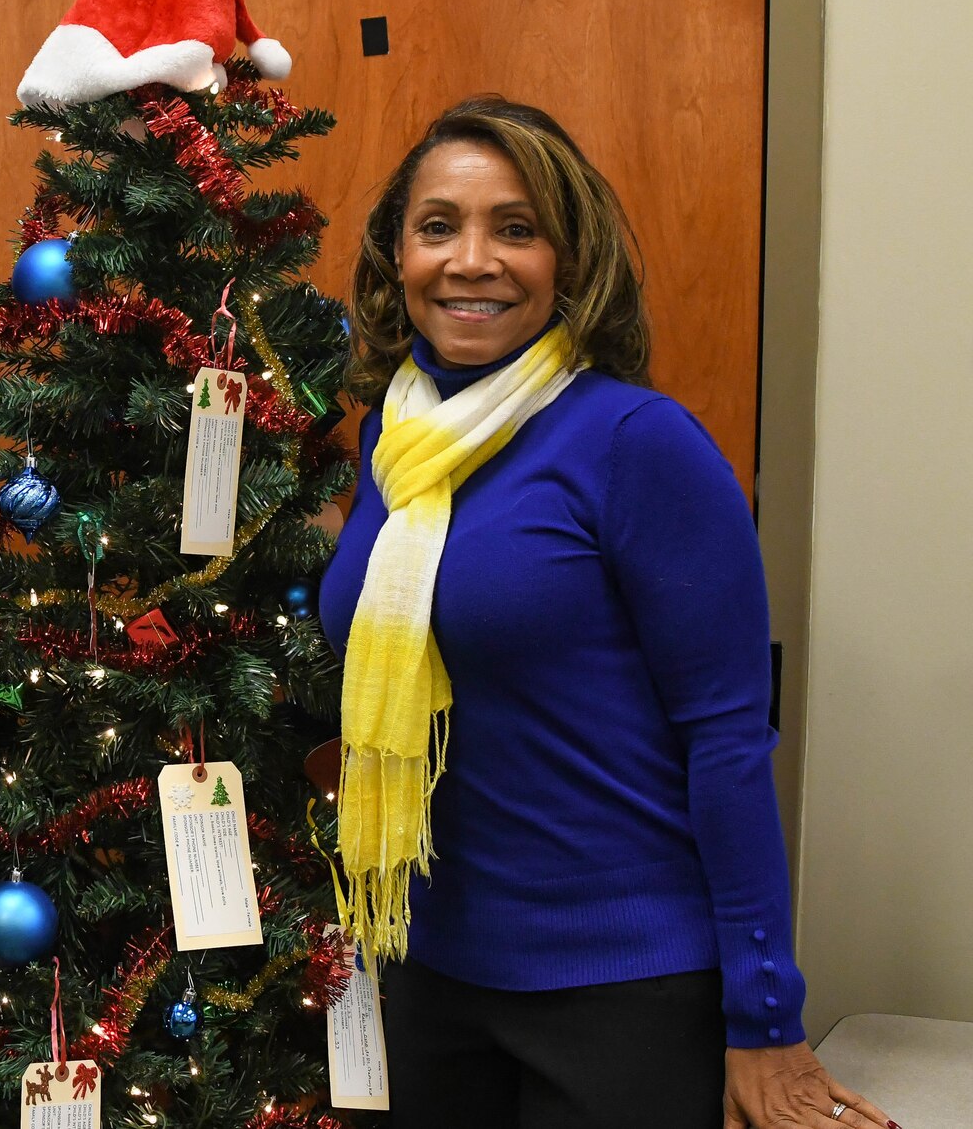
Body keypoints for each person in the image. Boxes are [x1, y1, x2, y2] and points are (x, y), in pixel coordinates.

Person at [319, 97, 893, 1129]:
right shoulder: (394, 442)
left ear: (568, 261)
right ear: (395, 254)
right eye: (438, 225)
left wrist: (764, 1015)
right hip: (423, 968)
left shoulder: (635, 441)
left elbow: (724, 738)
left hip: (618, 988)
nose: (472, 260)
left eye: (516, 227)